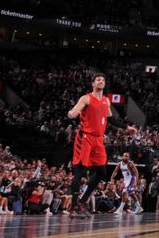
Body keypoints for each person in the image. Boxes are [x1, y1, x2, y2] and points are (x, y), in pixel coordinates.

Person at [66, 73, 137, 219]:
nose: (101, 81)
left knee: (101, 173)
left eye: (103, 80)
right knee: (80, 170)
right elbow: (75, 110)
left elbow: (110, 118)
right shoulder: (86, 98)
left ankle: (82, 201)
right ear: (93, 83)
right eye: (98, 79)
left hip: (98, 140)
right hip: (85, 137)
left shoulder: (106, 100)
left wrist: (126, 127)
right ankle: (73, 207)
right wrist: (72, 113)